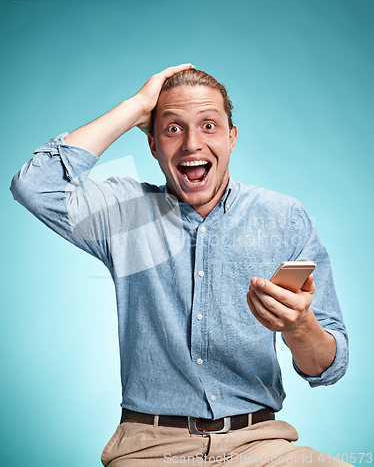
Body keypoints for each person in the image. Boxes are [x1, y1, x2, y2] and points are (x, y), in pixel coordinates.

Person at [10, 64, 349, 466]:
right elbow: (34, 184)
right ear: (152, 144)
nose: (192, 144)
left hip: (260, 446)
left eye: (209, 126)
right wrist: (136, 107)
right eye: (173, 128)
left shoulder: (283, 217)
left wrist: (299, 326)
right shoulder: (128, 213)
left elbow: (328, 368)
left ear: (232, 137)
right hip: (151, 450)